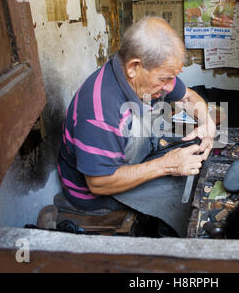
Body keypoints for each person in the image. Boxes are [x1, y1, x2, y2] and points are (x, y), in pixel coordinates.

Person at [57, 17, 216, 213]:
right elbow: (99, 183)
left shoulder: (146, 78)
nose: (169, 86)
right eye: (164, 78)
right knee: (185, 198)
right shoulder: (99, 111)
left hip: (136, 158)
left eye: (172, 77)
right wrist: (165, 166)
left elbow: (189, 96)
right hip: (100, 194)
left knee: (195, 151)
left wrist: (206, 120)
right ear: (134, 67)